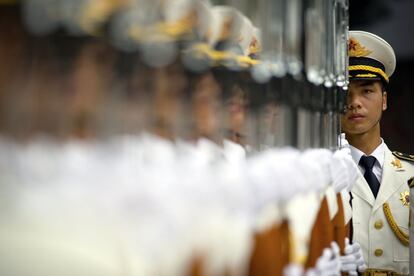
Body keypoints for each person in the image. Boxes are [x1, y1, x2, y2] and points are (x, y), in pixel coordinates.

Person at [342, 30, 414, 275]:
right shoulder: (322, 177)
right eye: (345, 92)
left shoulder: (411, 175)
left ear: (384, 100)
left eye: (366, 90)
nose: (355, 102)